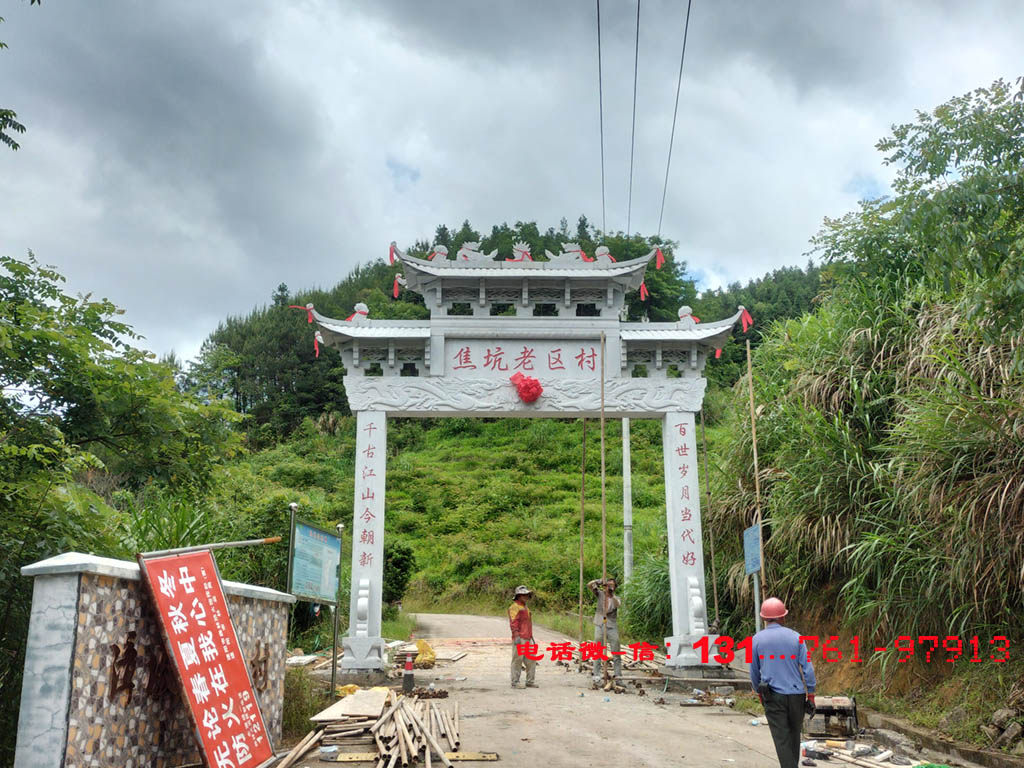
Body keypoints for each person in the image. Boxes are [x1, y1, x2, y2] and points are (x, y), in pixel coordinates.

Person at [749, 597, 816, 768]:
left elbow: (754, 672)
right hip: (797, 696)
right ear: (783, 617)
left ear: (764, 618)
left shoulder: (756, 640)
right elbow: (808, 669)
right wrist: (812, 695)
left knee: (781, 739)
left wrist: (758, 692)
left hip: (773, 696)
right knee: (794, 737)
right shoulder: (797, 637)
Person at [587, 576, 622, 683]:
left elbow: (617, 605)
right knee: (598, 650)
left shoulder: (616, 598)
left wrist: (611, 595)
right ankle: (597, 675)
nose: (610, 587)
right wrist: (599, 581)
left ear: (615, 587)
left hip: (611, 625)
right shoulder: (600, 594)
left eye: (612, 585)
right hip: (599, 623)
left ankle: (618, 677)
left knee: (616, 652)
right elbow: (589, 585)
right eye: (608, 585)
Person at [508, 585, 538, 688]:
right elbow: (513, 623)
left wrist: (531, 637)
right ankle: (515, 682)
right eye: (524, 595)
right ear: (518, 596)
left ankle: (530, 681)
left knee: (531, 659)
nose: (526, 596)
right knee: (517, 660)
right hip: (520, 637)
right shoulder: (514, 607)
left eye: (527, 594)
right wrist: (516, 636)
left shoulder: (525, 607)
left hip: (527, 637)